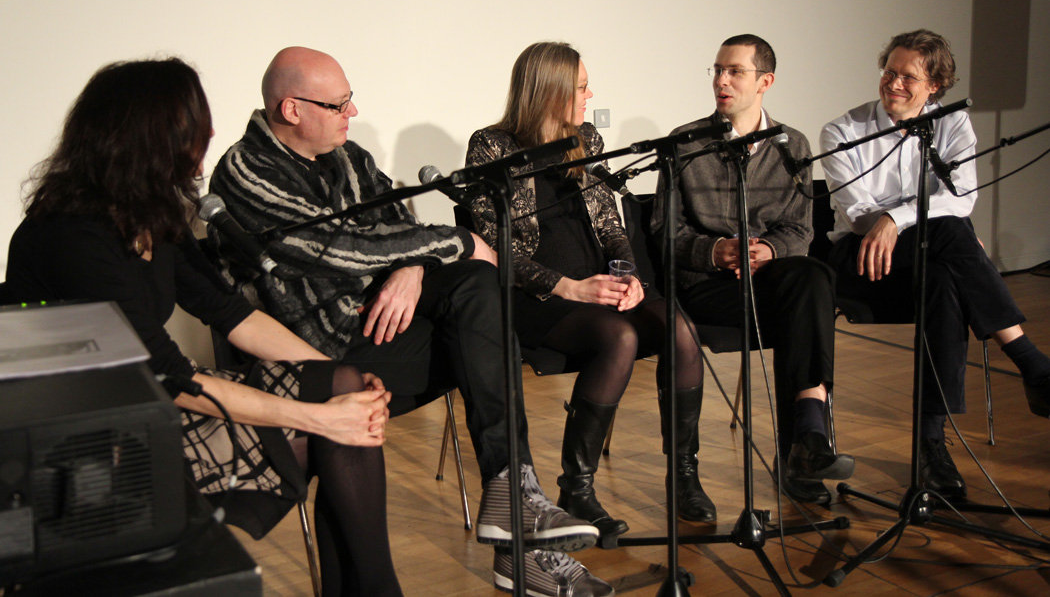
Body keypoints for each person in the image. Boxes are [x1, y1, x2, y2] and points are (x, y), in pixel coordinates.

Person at [208, 47, 606, 596]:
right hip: (317, 355)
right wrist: (454, 241)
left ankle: (513, 491)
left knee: (479, 292)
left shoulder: (350, 157)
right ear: (291, 109)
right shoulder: (245, 171)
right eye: (339, 103)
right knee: (488, 343)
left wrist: (413, 268)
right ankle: (519, 539)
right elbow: (331, 248)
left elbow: (399, 218)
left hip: (379, 328)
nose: (353, 111)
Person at [5, 58, 404, 596]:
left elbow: (230, 313)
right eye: (196, 125)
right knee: (330, 421)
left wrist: (336, 378)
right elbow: (166, 377)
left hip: (151, 399)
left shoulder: (152, 213)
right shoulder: (71, 235)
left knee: (345, 388)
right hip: (90, 441)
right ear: (151, 138)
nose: (210, 135)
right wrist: (319, 417)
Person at [465, 41, 712, 542]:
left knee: (680, 327)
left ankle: (684, 474)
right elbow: (496, 251)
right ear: (550, 90)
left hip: (599, 287)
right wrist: (572, 288)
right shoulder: (491, 147)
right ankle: (577, 486)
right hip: (538, 297)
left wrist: (629, 277)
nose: (589, 95)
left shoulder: (587, 139)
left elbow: (609, 221)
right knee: (619, 337)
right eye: (580, 88)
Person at [820, 29, 1050, 499]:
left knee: (944, 276)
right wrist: (902, 220)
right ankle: (1030, 364)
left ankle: (931, 450)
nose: (894, 84)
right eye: (889, 72)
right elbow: (862, 218)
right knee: (950, 235)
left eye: (908, 76)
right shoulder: (842, 131)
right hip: (859, 260)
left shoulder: (952, 124)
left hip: (924, 260)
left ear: (934, 86)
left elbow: (961, 197)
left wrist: (898, 216)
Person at [653, 34, 855, 505]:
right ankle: (804, 442)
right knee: (809, 298)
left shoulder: (792, 146)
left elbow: (799, 231)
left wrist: (769, 250)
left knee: (812, 278)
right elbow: (666, 234)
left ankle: (805, 443)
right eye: (717, 70)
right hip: (706, 288)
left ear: (765, 82)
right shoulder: (684, 145)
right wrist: (714, 250)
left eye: (735, 72)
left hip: (769, 282)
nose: (722, 81)